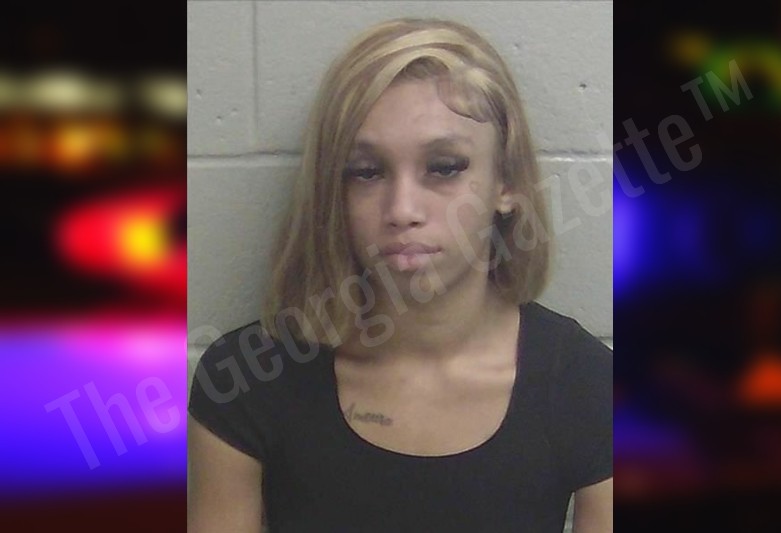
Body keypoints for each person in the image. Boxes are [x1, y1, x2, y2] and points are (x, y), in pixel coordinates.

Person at [188, 17, 612, 533]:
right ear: (333, 191)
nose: (402, 209)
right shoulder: (247, 381)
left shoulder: (588, 386)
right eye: (366, 171)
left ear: (507, 182)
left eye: (445, 166)